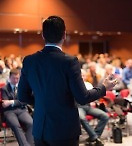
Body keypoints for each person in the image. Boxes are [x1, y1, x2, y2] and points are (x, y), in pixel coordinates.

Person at [17, 16, 117, 146]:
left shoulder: (29, 60)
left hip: (40, 129)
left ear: (43, 35)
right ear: (64, 35)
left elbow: (22, 96)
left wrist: (43, 102)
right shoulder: (69, 62)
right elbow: (82, 97)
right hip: (64, 130)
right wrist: (103, 88)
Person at [1, 69, 34, 146]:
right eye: (14, 78)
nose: (16, 80)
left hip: (21, 110)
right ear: (9, 77)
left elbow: (24, 101)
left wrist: (12, 102)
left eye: (17, 78)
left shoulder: (22, 88)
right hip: (9, 112)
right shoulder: (4, 89)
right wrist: (17, 102)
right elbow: (5, 104)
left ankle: (29, 144)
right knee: (15, 125)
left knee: (31, 123)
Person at [78, 69, 109, 146]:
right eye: (80, 75)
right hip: (78, 107)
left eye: (83, 75)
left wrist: (94, 101)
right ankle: (95, 138)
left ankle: (94, 136)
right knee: (81, 118)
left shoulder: (88, 84)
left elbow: (93, 96)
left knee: (105, 116)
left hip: (88, 106)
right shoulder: (75, 85)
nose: (82, 77)